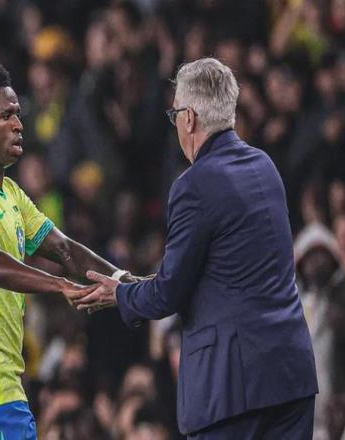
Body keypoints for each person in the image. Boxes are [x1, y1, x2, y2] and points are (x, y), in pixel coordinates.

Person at [75, 58, 318, 439]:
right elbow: (223, 273)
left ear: (188, 118)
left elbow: (169, 294)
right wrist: (140, 284)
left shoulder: (194, 184)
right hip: (290, 377)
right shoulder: (265, 166)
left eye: (175, 115)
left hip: (233, 391)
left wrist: (120, 294)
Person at [0, 63, 131, 439]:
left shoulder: (10, 193)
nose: (18, 124)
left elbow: (64, 248)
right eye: (6, 116)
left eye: (18, 114)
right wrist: (59, 285)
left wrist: (125, 280)